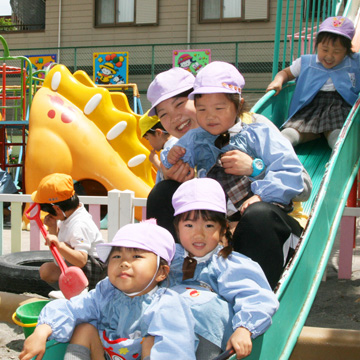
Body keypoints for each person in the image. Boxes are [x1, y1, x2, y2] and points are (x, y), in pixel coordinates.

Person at [150, 62, 305, 288]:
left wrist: (256, 168)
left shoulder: (255, 127)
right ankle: (177, 281)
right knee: (163, 192)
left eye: (180, 104)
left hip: (266, 222)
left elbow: (301, 182)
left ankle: (254, 296)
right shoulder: (184, 146)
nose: (174, 118)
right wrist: (173, 175)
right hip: (218, 227)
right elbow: (167, 196)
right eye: (164, 114)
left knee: (257, 214)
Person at [18, 220, 197, 360]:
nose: (124, 262)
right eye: (117, 256)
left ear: (161, 272)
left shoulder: (168, 305)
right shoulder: (106, 291)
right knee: (85, 328)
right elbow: (74, 307)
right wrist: (42, 330)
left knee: (151, 341)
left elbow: (176, 349)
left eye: (136, 256)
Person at [170, 178, 279, 359]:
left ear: (222, 229)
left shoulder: (228, 263)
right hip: (169, 335)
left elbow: (256, 296)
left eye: (209, 225)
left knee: (204, 306)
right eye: (189, 225)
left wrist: (245, 328)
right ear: (177, 228)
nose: (199, 233)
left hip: (207, 335)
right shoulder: (169, 259)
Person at [267, 16, 360, 149]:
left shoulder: (354, 62)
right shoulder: (306, 62)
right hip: (310, 105)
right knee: (294, 129)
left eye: (337, 52)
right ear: (317, 45)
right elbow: (286, 73)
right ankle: (283, 144)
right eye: (325, 49)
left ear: (346, 51)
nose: (329, 56)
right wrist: (278, 81)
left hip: (339, 106)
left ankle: (338, 149)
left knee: (338, 131)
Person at [32, 173, 106, 296]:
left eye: (44, 209)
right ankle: (70, 292)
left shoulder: (79, 224)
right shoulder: (67, 216)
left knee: (65, 246)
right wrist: (52, 227)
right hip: (80, 267)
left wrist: (60, 246)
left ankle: (80, 293)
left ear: (56, 209)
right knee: (47, 270)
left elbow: (82, 260)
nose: (45, 212)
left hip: (96, 270)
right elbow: (57, 250)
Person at [139, 111, 177, 183]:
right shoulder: (177, 143)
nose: (149, 143)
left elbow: (171, 176)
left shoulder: (171, 150)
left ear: (158, 133)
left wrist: (155, 161)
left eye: (148, 139)